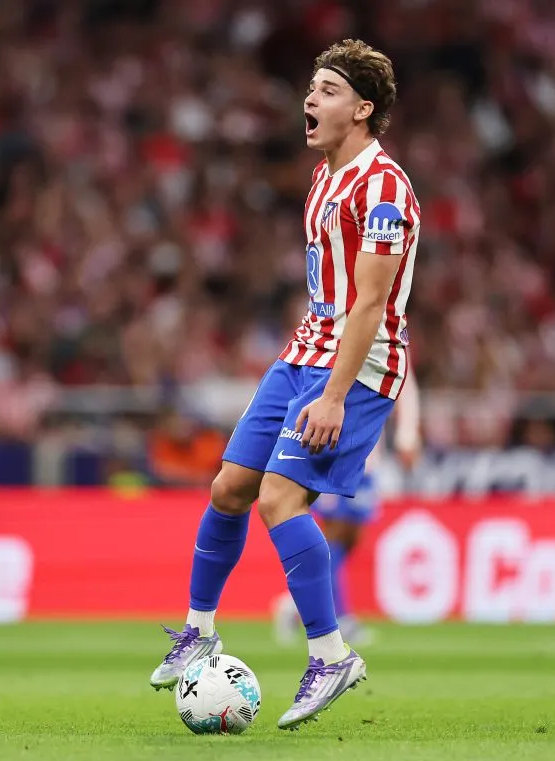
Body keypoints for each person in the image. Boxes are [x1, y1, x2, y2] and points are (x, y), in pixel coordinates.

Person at [149, 39, 420, 731]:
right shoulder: (324, 179)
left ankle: (331, 655)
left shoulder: (383, 187)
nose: (310, 99)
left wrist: (332, 395)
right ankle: (200, 629)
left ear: (363, 109)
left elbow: (368, 304)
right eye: (310, 87)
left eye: (327, 90)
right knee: (229, 487)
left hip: (356, 368)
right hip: (302, 351)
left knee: (279, 496)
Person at [273, 362, 420, 647]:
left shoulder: (390, 334)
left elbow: (404, 384)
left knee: (350, 537)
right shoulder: (342, 330)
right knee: (334, 535)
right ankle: (340, 617)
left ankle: (295, 605)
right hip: (337, 446)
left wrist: (406, 435)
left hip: (368, 453)